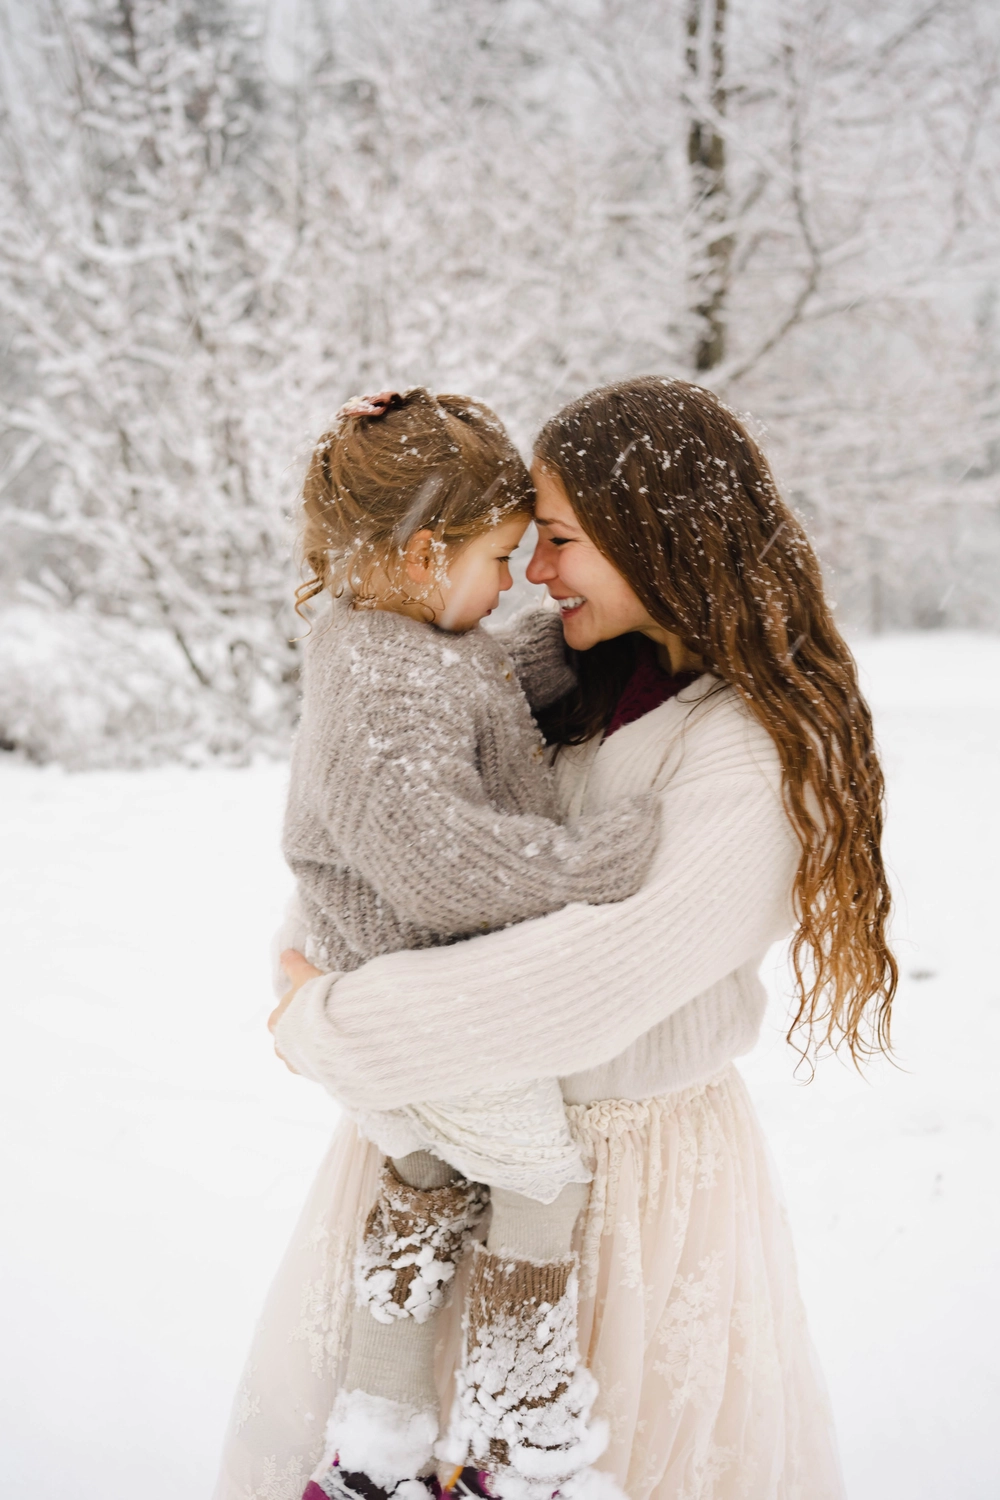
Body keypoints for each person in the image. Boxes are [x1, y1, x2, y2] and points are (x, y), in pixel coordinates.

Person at [216, 376, 895, 1500]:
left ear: (657, 541)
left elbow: (597, 979)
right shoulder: (552, 670)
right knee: (393, 1448)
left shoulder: (755, 749)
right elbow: (375, 836)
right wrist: (329, 978)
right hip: (442, 1130)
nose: (531, 572)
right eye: (521, 541)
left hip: (622, 1186)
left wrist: (330, 1025)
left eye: (562, 540)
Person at [273, 386, 664, 1500]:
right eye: (502, 558)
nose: (514, 584)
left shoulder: (404, 638)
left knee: (431, 1188)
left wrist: (603, 645)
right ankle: (521, 1442)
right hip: (423, 1004)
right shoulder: (377, 671)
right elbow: (438, 862)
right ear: (423, 552)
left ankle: (375, 1444)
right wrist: (599, 865)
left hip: (395, 1001)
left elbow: (491, 684)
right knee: (538, 1187)